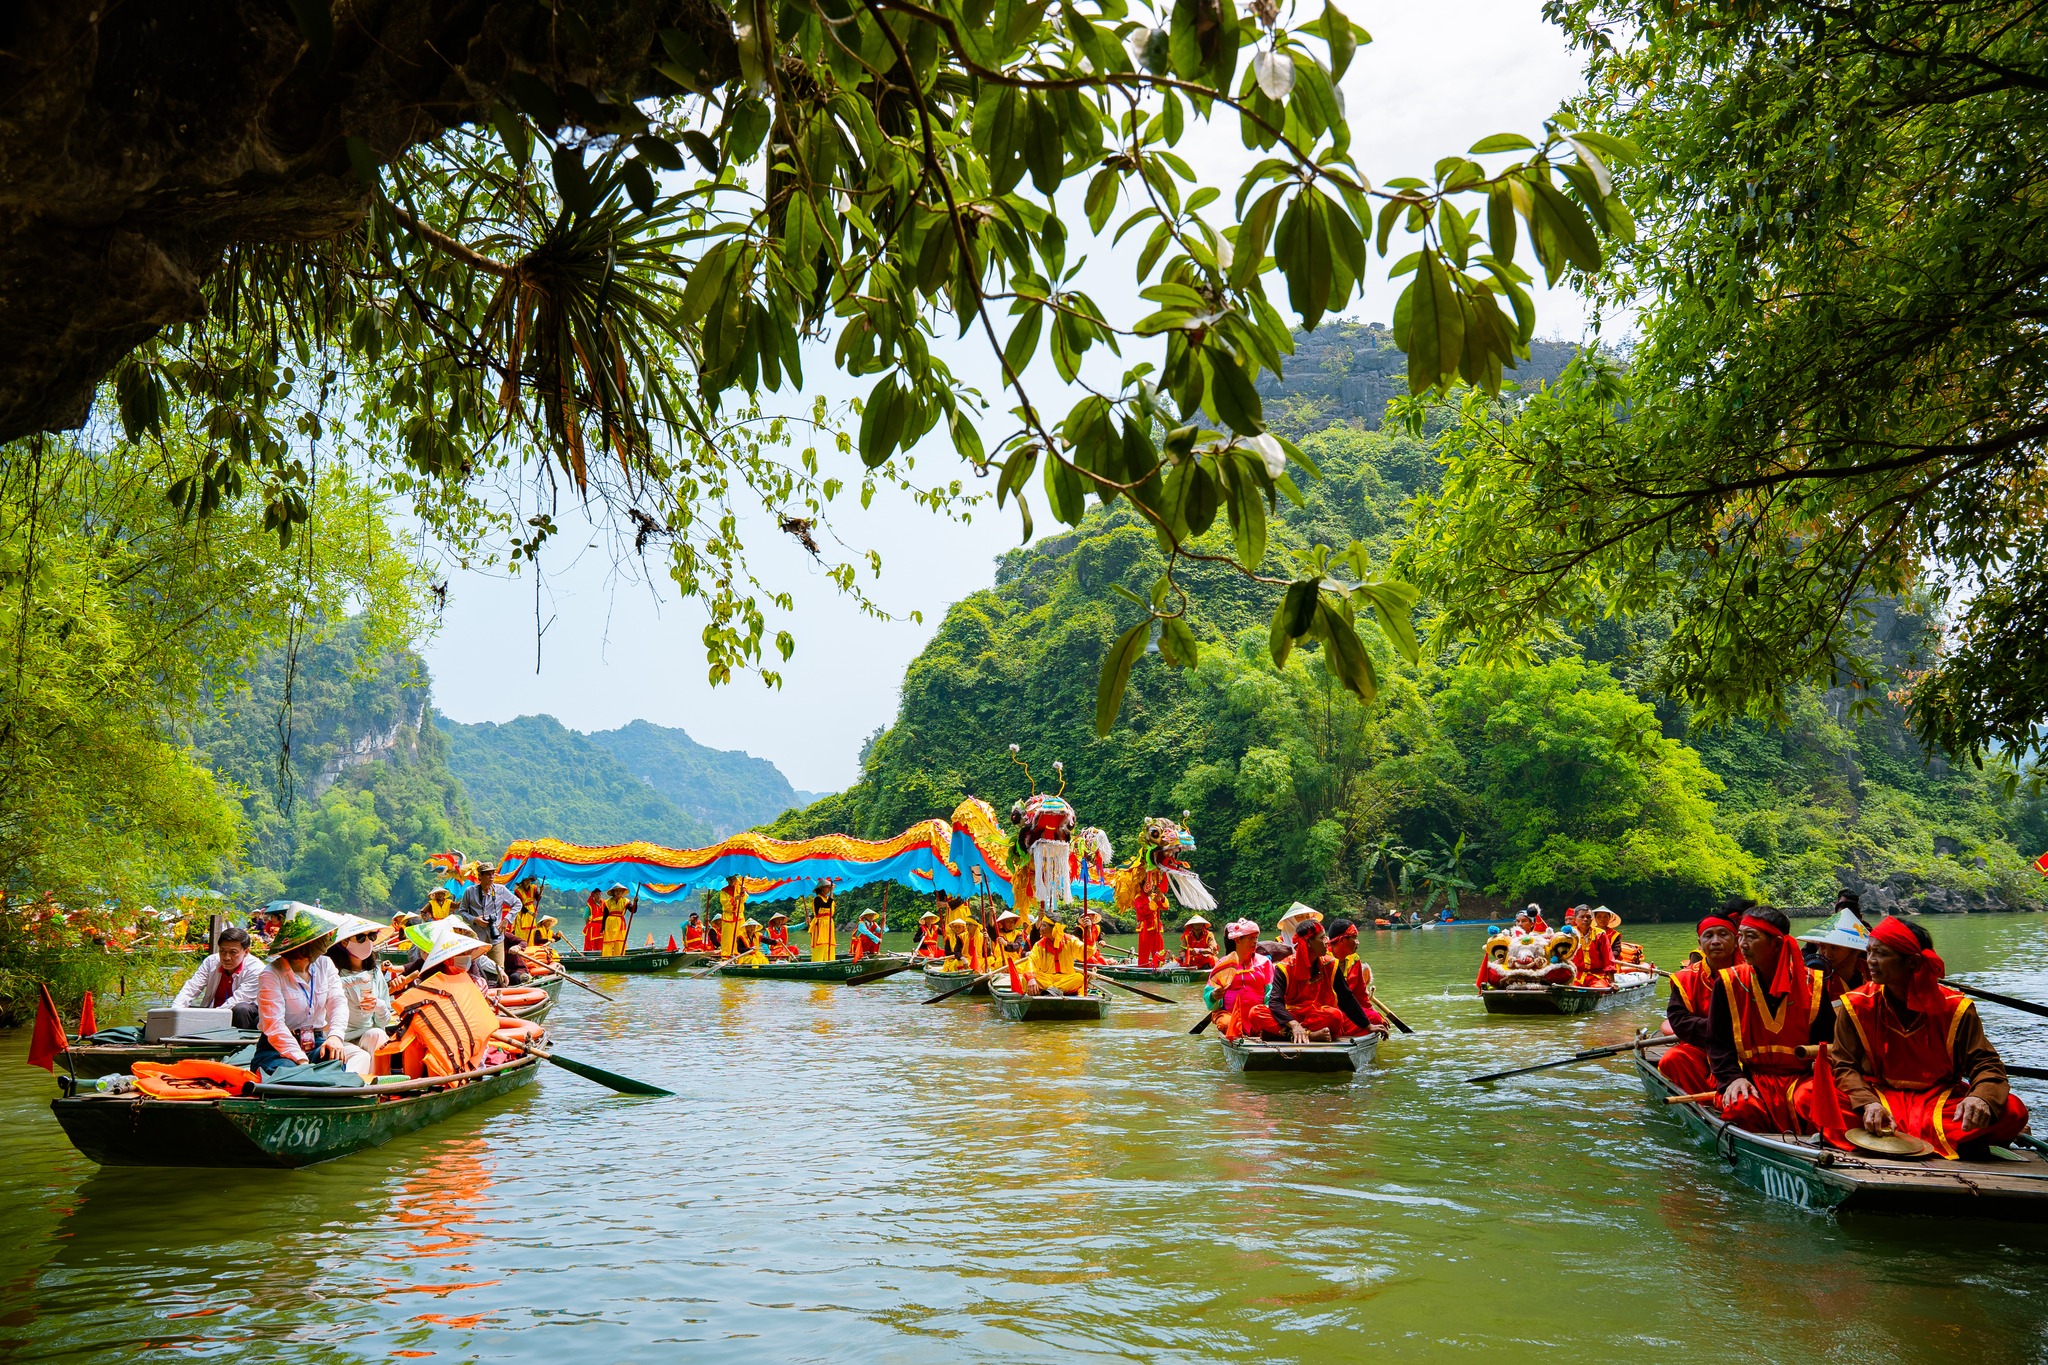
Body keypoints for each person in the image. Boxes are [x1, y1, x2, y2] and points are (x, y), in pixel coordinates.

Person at [1803, 915, 2030, 1157]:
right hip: (1879, 1096)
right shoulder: (1857, 1004)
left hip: (1940, 1100)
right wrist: (1867, 1102)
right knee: (1808, 1093)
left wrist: (1980, 1098)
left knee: (2013, 1110)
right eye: (1868, 952)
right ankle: (1958, 1143)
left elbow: (1986, 1064)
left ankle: (1874, 1138)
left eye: (1880, 954)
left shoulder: (1956, 1008)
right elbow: (1844, 1066)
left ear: (1911, 962)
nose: (1870, 961)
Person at [1707, 906, 1832, 1134]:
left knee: (1817, 1100)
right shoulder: (1729, 982)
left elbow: (1827, 1041)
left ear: (1776, 943)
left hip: (1801, 1080)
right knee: (1741, 1106)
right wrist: (1733, 1079)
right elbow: (1718, 1044)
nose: (1742, 944)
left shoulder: (1814, 983)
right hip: (1751, 1076)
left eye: (1751, 937)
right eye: (1740, 936)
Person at [252, 907, 366, 1078]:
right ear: (306, 943)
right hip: (277, 1048)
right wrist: (302, 1061)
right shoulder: (271, 974)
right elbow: (273, 1024)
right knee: (291, 1074)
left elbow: (337, 1002)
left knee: (334, 1063)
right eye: (322, 937)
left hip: (315, 1040)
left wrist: (335, 1037)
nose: (328, 940)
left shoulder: (325, 965)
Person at [391, 921, 505, 1078]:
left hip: (468, 1039)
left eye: (468, 953)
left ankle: (470, 1071)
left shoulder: (477, 982)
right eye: (461, 954)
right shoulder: (424, 982)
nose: (466, 957)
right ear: (447, 959)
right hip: (435, 1040)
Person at [1243, 913, 1366, 1043]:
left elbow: (1346, 998)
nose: (1327, 941)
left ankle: (1282, 1034)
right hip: (1290, 1018)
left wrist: (1367, 1025)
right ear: (1309, 942)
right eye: (1322, 938)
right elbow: (1275, 1002)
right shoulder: (1284, 967)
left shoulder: (1330, 964)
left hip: (1316, 1017)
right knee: (1256, 1012)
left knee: (1335, 1016)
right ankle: (1309, 1035)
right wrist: (1294, 1025)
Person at [1658, 913, 1742, 1095]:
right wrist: (1721, 1031)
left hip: (1746, 1047)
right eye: (1709, 935)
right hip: (1702, 1047)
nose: (1716, 941)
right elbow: (1679, 1021)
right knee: (1673, 1059)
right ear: (1700, 942)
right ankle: (1708, 1100)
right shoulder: (1685, 978)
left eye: (1723, 934)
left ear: (1736, 941)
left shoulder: (1751, 973)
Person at [328, 914, 398, 1061]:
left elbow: (383, 1022)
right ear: (344, 942)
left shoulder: (375, 973)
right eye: (360, 938)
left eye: (371, 936)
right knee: (362, 1057)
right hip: (339, 1037)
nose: (367, 941)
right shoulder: (332, 971)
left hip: (367, 1034)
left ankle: (382, 1082)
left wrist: (379, 1006)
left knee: (378, 1034)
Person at [171, 924, 264, 1028]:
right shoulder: (211, 961)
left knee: (241, 1009)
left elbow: (239, 999)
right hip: (215, 1013)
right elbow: (192, 987)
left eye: (233, 952)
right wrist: (174, 1011)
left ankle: (239, 1042)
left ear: (246, 952)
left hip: (247, 1016)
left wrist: (209, 1019)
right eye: (222, 951)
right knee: (184, 1010)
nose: (226, 957)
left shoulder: (256, 969)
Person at [1205, 919, 1274, 1038]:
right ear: (1237, 940)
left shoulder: (1265, 963)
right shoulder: (1223, 964)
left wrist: (1267, 1012)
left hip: (1258, 1014)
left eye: (1256, 938)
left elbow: (1271, 992)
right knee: (1226, 1024)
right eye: (1250, 938)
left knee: (1269, 1024)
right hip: (1229, 1014)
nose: (1255, 942)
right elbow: (1209, 993)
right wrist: (1213, 995)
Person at [1798, 908, 1871, 1005]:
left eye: (1834, 948)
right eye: (1823, 947)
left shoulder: (1870, 973)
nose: (1827, 954)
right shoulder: (1816, 980)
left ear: (1855, 950)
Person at [1324, 920, 1387, 1033]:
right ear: (1343, 940)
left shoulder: (1355, 960)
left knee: (1376, 1019)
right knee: (1334, 1019)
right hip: (1327, 1012)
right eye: (1354, 938)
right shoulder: (1324, 959)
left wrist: (1373, 1012)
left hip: (1350, 1011)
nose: (1358, 942)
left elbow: (1361, 994)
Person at [459, 863, 516, 978]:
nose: (491, 877)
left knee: (499, 971)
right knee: (477, 971)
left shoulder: (501, 890)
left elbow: (517, 903)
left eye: (492, 874)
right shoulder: (470, 891)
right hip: (477, 939)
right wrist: (475, 919)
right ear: (480, 876)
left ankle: (500, 991)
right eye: (488, 874)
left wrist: (507, 920)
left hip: (496, 938)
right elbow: (462, 911)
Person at [1017, 915, 1086, 996]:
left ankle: (1052, 990)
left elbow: (1085, 953)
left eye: (1044, 925)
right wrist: (1030, 978)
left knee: (1079, 978)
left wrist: (1088, 934)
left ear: (1054, 928)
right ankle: (1055, 990)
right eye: (1041, 925)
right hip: (1046, 979)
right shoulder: (1039, 945)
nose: (1041, 928)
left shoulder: (1071, 940)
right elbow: (1031, 962)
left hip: (1066, 978)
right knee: (1026, 979)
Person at [1569, 906, 1616, 985]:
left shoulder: (1600, 934)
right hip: (1575, 975)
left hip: (1597, 975)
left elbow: (1608, 958)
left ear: (1592, 919)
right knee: (1569, 989)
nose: (1585, 919)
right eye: (1582, 917)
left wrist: (1612, 982)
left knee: (1599, 989)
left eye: (1588, 917)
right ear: (1575, 919)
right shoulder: (1569, 934)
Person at [597, 883, 636, 956]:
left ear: (622, 892)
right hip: (610, 924)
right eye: (617, 891)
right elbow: (605, 916)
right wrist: (602, 929)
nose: (618, 892)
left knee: (620, 942)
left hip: (620, 924)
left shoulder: (625, 901)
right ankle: (606, 957)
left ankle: (619, 956)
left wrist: (635, 903)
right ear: (613, 892)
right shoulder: (607, 902)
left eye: (620, 891)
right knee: (608, 942)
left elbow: (633, 911)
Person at [807, 881, 838, 962]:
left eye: (829, 887)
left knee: (830, 944)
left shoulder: (828, 898)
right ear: (821, 888)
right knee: (820, 945)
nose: (829, 889)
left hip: (829, 923)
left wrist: (831, 893)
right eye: (827, 887)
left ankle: (830, 961)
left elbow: (831, 908)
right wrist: (832, 893)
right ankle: (817, 962)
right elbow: (827, 905)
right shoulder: (817, 898)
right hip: (820, 923)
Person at [719, 876, 747, 958]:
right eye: (730, 879)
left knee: (740, 935)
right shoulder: (723, 891)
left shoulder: (740, 888)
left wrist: (742, 894)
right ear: (727, 880)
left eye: (733, 879)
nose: (732, 880)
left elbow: (743, 900)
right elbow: (724, 903)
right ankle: (726, 955)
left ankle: (739, 953)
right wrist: (734, 900)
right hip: (728, 915)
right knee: (727, 936)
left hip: (739, 916)